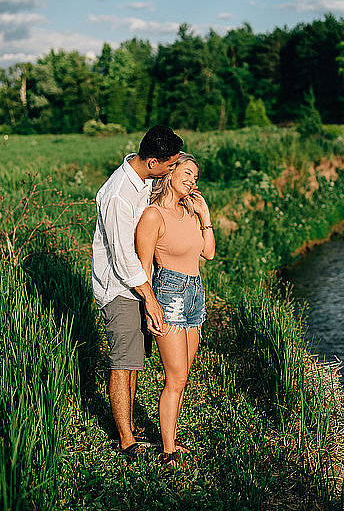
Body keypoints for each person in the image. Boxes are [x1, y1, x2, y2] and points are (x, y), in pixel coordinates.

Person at [91, 125, 183, 459]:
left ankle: (131, 427)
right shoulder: (119, 194)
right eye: (170, 165)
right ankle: (126, 440)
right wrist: (151, 298)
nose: (171, 170)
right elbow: (124, 257)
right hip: (120, 289)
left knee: (134, 361)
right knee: (122, 363)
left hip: (137, 287)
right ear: (154, 161)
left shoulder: (143, 179)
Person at [136, 152, 215, 466]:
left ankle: (170, 439)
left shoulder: (189, 209)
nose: (192, 180)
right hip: (169, 293)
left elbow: (207, 253)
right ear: (169, 173)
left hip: (195, 293)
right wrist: (149, 304)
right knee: (176, 377)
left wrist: (204, 213)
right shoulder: (153, 215)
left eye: (195, 176)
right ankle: (167, 450)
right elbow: (142, 267)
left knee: (183, 376)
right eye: (187, 173)